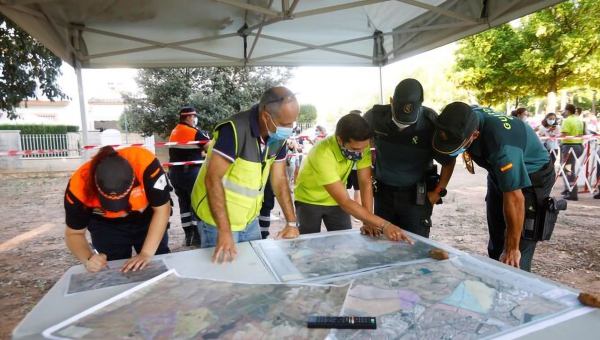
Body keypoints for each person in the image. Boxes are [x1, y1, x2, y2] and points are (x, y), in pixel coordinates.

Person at [433, 102, 556, 272]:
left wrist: (512, 247)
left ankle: (515, 285)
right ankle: (495, 282)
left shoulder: (501, 146)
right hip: (498, 173)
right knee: (497, 238)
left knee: (517, 248)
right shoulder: (463, 118)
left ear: (474, 135)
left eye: (459, 146)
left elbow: (515, 197)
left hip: (532, 178)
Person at [191, 87, 300, 263]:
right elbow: (213, 178)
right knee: (225, 279)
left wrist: (291, 223)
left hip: (249, 220)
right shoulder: (234, 130)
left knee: (252, 268)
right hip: (217, 222)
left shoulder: (277, 137)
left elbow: (280, 179)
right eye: (286, 123)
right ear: (266, 116)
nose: (290, 129)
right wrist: (224, 231)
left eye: (293, 122)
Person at [294, 113, 413, 244]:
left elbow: (365, 182)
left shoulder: (362, 145)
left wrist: (368, 221)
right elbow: (345, 201)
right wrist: (384, 224)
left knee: (344, 244)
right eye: (355, 149)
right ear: (339, 140)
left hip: (336, 202)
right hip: (309, 200)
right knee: (308, 244)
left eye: (363, 148)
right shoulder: (322, 153)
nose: (360, 153)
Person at [362, 78, 456, 238]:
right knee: (381, 245)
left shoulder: (431, 121)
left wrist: (438, 192)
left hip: (416, 198)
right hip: (383, 194)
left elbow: (449, 160)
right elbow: (361, 158)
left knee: (415, 246)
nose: (402, 126)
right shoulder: (374, 117)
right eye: (399, 119)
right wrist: (367, 217)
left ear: (420, 105)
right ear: (391, 101)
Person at [64, 146, 172, 273]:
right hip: (106, 225)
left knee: (157, 263)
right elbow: (74, 233)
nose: (117, 210)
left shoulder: (145, 164)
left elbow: (162, 210)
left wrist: (146, 253)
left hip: (148, 219)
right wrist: (88, 259)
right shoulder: (78, 187)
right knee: (112, 270)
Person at [167, 107, 210, 247]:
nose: (195, 118)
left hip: (175, 173)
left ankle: (188, 235)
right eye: (194, 116)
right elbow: (210, 147)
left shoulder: (174, 131)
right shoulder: (193, 132)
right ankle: (198, 237)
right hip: (190, 173)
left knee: (184, 204)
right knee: (197, 203)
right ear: (188, 117)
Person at [560, 104, 584, 201]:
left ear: (568, 111)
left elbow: (564, 134)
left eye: (565, 110)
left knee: (568, 170)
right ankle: (568, 189)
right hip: (579, 146)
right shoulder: (579, 119)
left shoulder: (567, 120)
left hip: (570, 146)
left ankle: (572, 192)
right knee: (569, 169)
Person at [346, 110, 363, 207]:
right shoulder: (345, 132)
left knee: (357, 189)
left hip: (357, 166)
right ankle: (348, 208)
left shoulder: (363, 131)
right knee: (347, 188)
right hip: (347, 166)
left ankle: (356, 209)